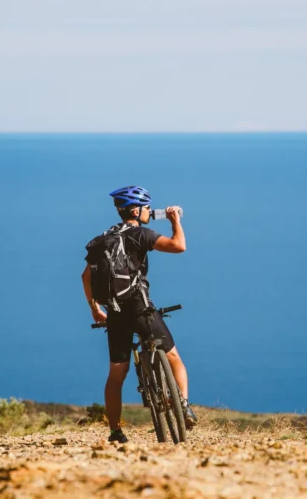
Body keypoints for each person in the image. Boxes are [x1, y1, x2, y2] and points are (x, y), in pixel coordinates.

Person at [81, 185, 197, 443]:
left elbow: (86, 276)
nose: (148, 212)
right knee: (173, 356)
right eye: (146, 207)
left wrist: (95, 309)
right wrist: (175, 221)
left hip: (114, 312)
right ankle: (185, 405)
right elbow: (179, 246)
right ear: (136, 210)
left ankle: (115, 432)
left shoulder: (102, 240)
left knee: (116, 375)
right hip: (139, 307)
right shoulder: (140, 234)